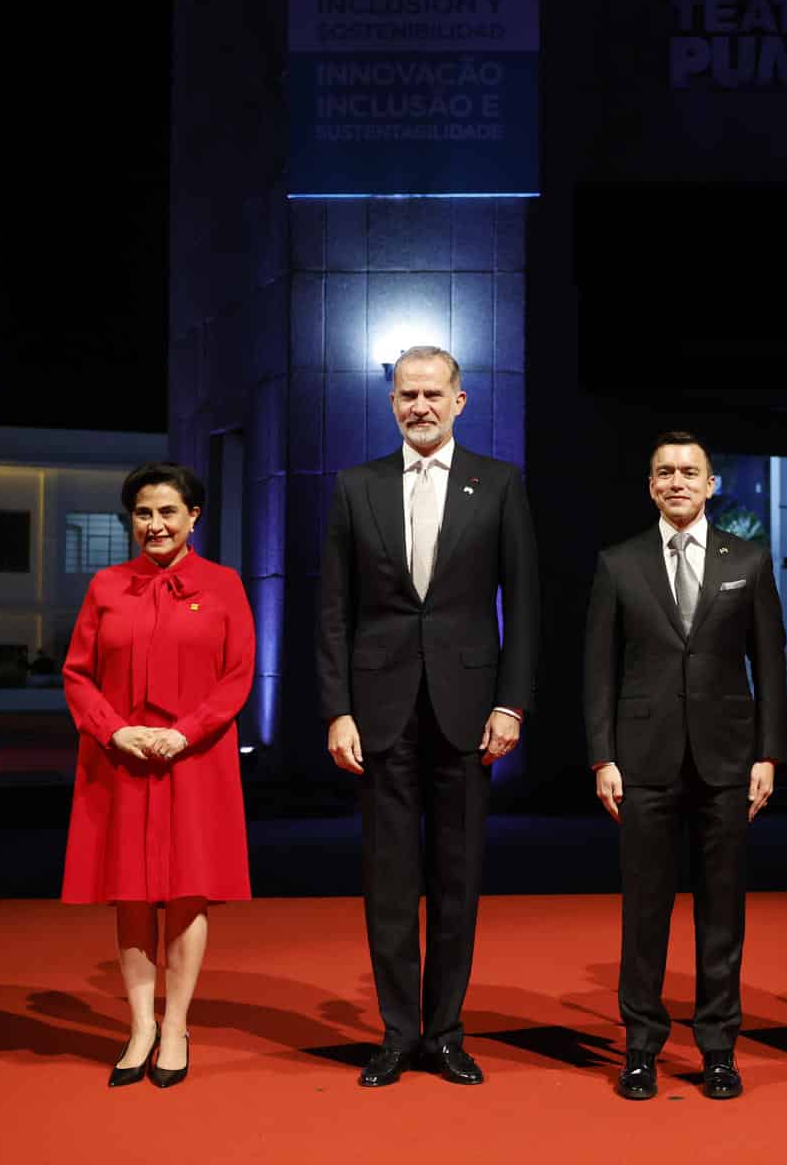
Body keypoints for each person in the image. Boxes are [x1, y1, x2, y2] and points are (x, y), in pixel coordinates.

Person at [318, 345, 539, 1089]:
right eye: (406, 394)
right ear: (391, 404)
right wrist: (336, 710)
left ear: (459, 401)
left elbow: (526, 605)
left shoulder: (500, 484)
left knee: (456, 877)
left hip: (470, 711)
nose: (419, 405)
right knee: (387, 879)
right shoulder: (356, 487)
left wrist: (512, 701)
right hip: (377, 711)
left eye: (432, 393)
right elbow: (333, 612)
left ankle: (445, 1032)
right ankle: (394, 1033)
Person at [583, 433, 787, 1100]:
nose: (677, 482)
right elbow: (598, 671)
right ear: (651, 486)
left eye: (689, 472)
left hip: (728, 761)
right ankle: (640, 1048)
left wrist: (768, 753)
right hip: (641, 763)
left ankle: (719, 1049)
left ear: (711, 484)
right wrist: (601, 756)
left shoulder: (749, 562)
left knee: (722, 911)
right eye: (665, 472)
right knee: (644, 911)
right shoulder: (618, 564)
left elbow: (772, 665)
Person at [61, 461, 255, 1089]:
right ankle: (141, 1025)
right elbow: (78, 673)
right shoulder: (106, 586)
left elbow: (238, 675)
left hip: (194, 759)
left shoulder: (224, 585)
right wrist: (113, 728)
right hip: (121, 759)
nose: (155, 524)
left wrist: (185, 731)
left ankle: (177, 1026)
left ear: (194, 517)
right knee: (132, 892)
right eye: (144, 513)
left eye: (168, 512)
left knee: (189, 890)